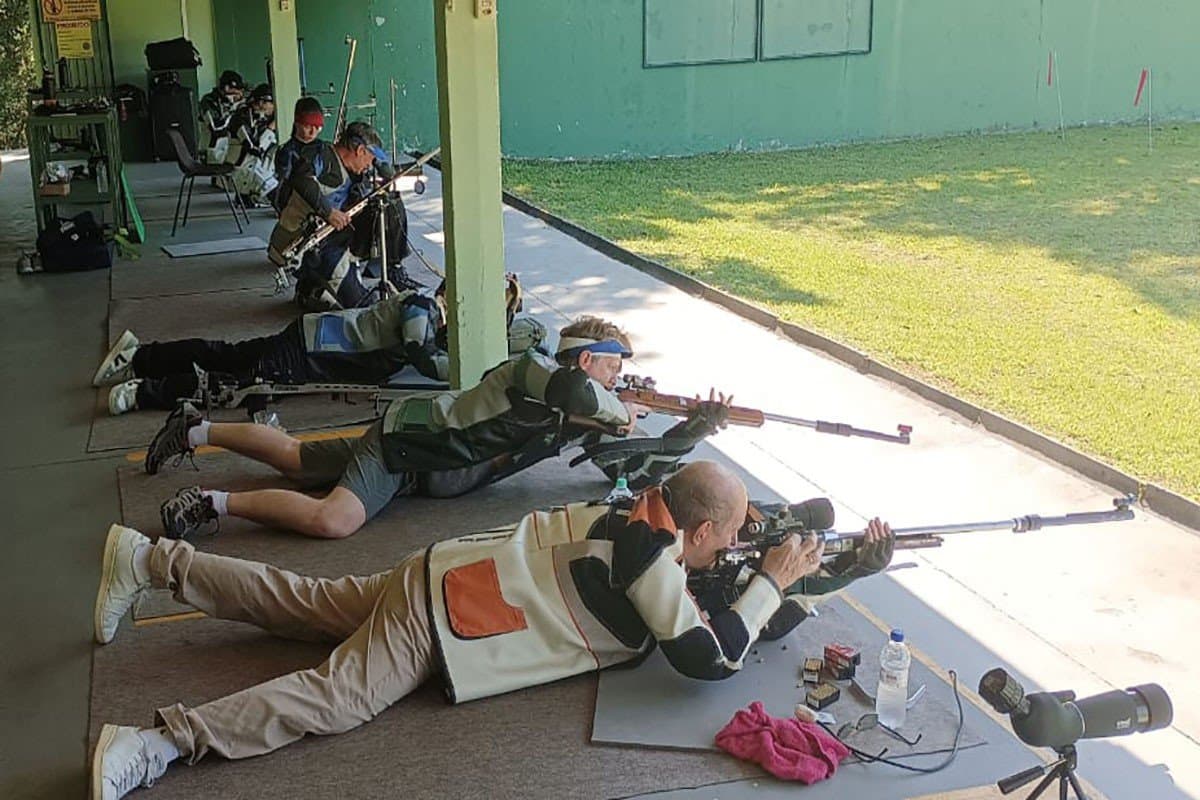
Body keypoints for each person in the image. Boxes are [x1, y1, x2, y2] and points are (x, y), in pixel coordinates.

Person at [90, 459, 897, 798]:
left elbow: (733, 610)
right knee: (338, 698)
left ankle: (151, 560)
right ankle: (155, 742)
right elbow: (712, 654)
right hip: (451, 618)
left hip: (443, 575)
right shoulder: (652, 560)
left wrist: (838, 572)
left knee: (303, 604)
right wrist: (772, 580)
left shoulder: (643, 514)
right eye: (733, 534)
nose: (739, 545)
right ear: (700, 533)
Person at [142, 315, 716, 542]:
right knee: (333, 519)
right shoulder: (537, 369)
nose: (621, 380)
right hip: (407, 445)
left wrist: (690, 433)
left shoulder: (583, 412)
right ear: (586, 359)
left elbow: (631, 470)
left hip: (421, 463)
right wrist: (620, 409)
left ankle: (194, 429)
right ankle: (210, 504)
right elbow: (569, 394)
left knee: (296, 459)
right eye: (614, 367)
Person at [92, 276, 527, 415]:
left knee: (226, 354)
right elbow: (418, 351)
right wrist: (468, 369)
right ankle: (142, 392)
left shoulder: (428, 310)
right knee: (236, 384)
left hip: (312, 338)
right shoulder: (423, 307)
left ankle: (140, 356)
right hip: (311, 351)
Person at [269, 121, 410, 311]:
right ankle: (314, 284)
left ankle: (310, 289)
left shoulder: (351, 173)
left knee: (391, 205)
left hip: (329, 242)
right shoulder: (322, 155)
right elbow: (301, 179)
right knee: (361, 306)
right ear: (360, 150)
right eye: (369, 159)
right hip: (300, 244)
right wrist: (328, 212)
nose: (369, 166)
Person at [224, 83, 278, 207]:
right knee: (279, 196)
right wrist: (271, 128)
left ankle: (245, 197)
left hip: (249, 166)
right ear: (261, 103)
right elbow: (254, 148)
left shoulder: (256, 117)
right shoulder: (241, 118)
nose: (274, 107)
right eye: (272, 103)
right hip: (241, 169)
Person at [273, 96, 329, 212]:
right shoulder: (287, 151)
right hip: (296, 207)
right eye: (308, 126)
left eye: (318, 127)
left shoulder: (323, 147)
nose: (313, 132)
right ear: (297, 123)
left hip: (325, 204)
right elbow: (282, 186)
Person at [197, 70, 246, 164]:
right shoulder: (208, 101)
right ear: (227, 88)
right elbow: (216, 128)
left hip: (225, 148)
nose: (238, 95)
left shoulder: (227, 102)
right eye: (236, 91)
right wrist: (233, 110)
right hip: (212, 151)